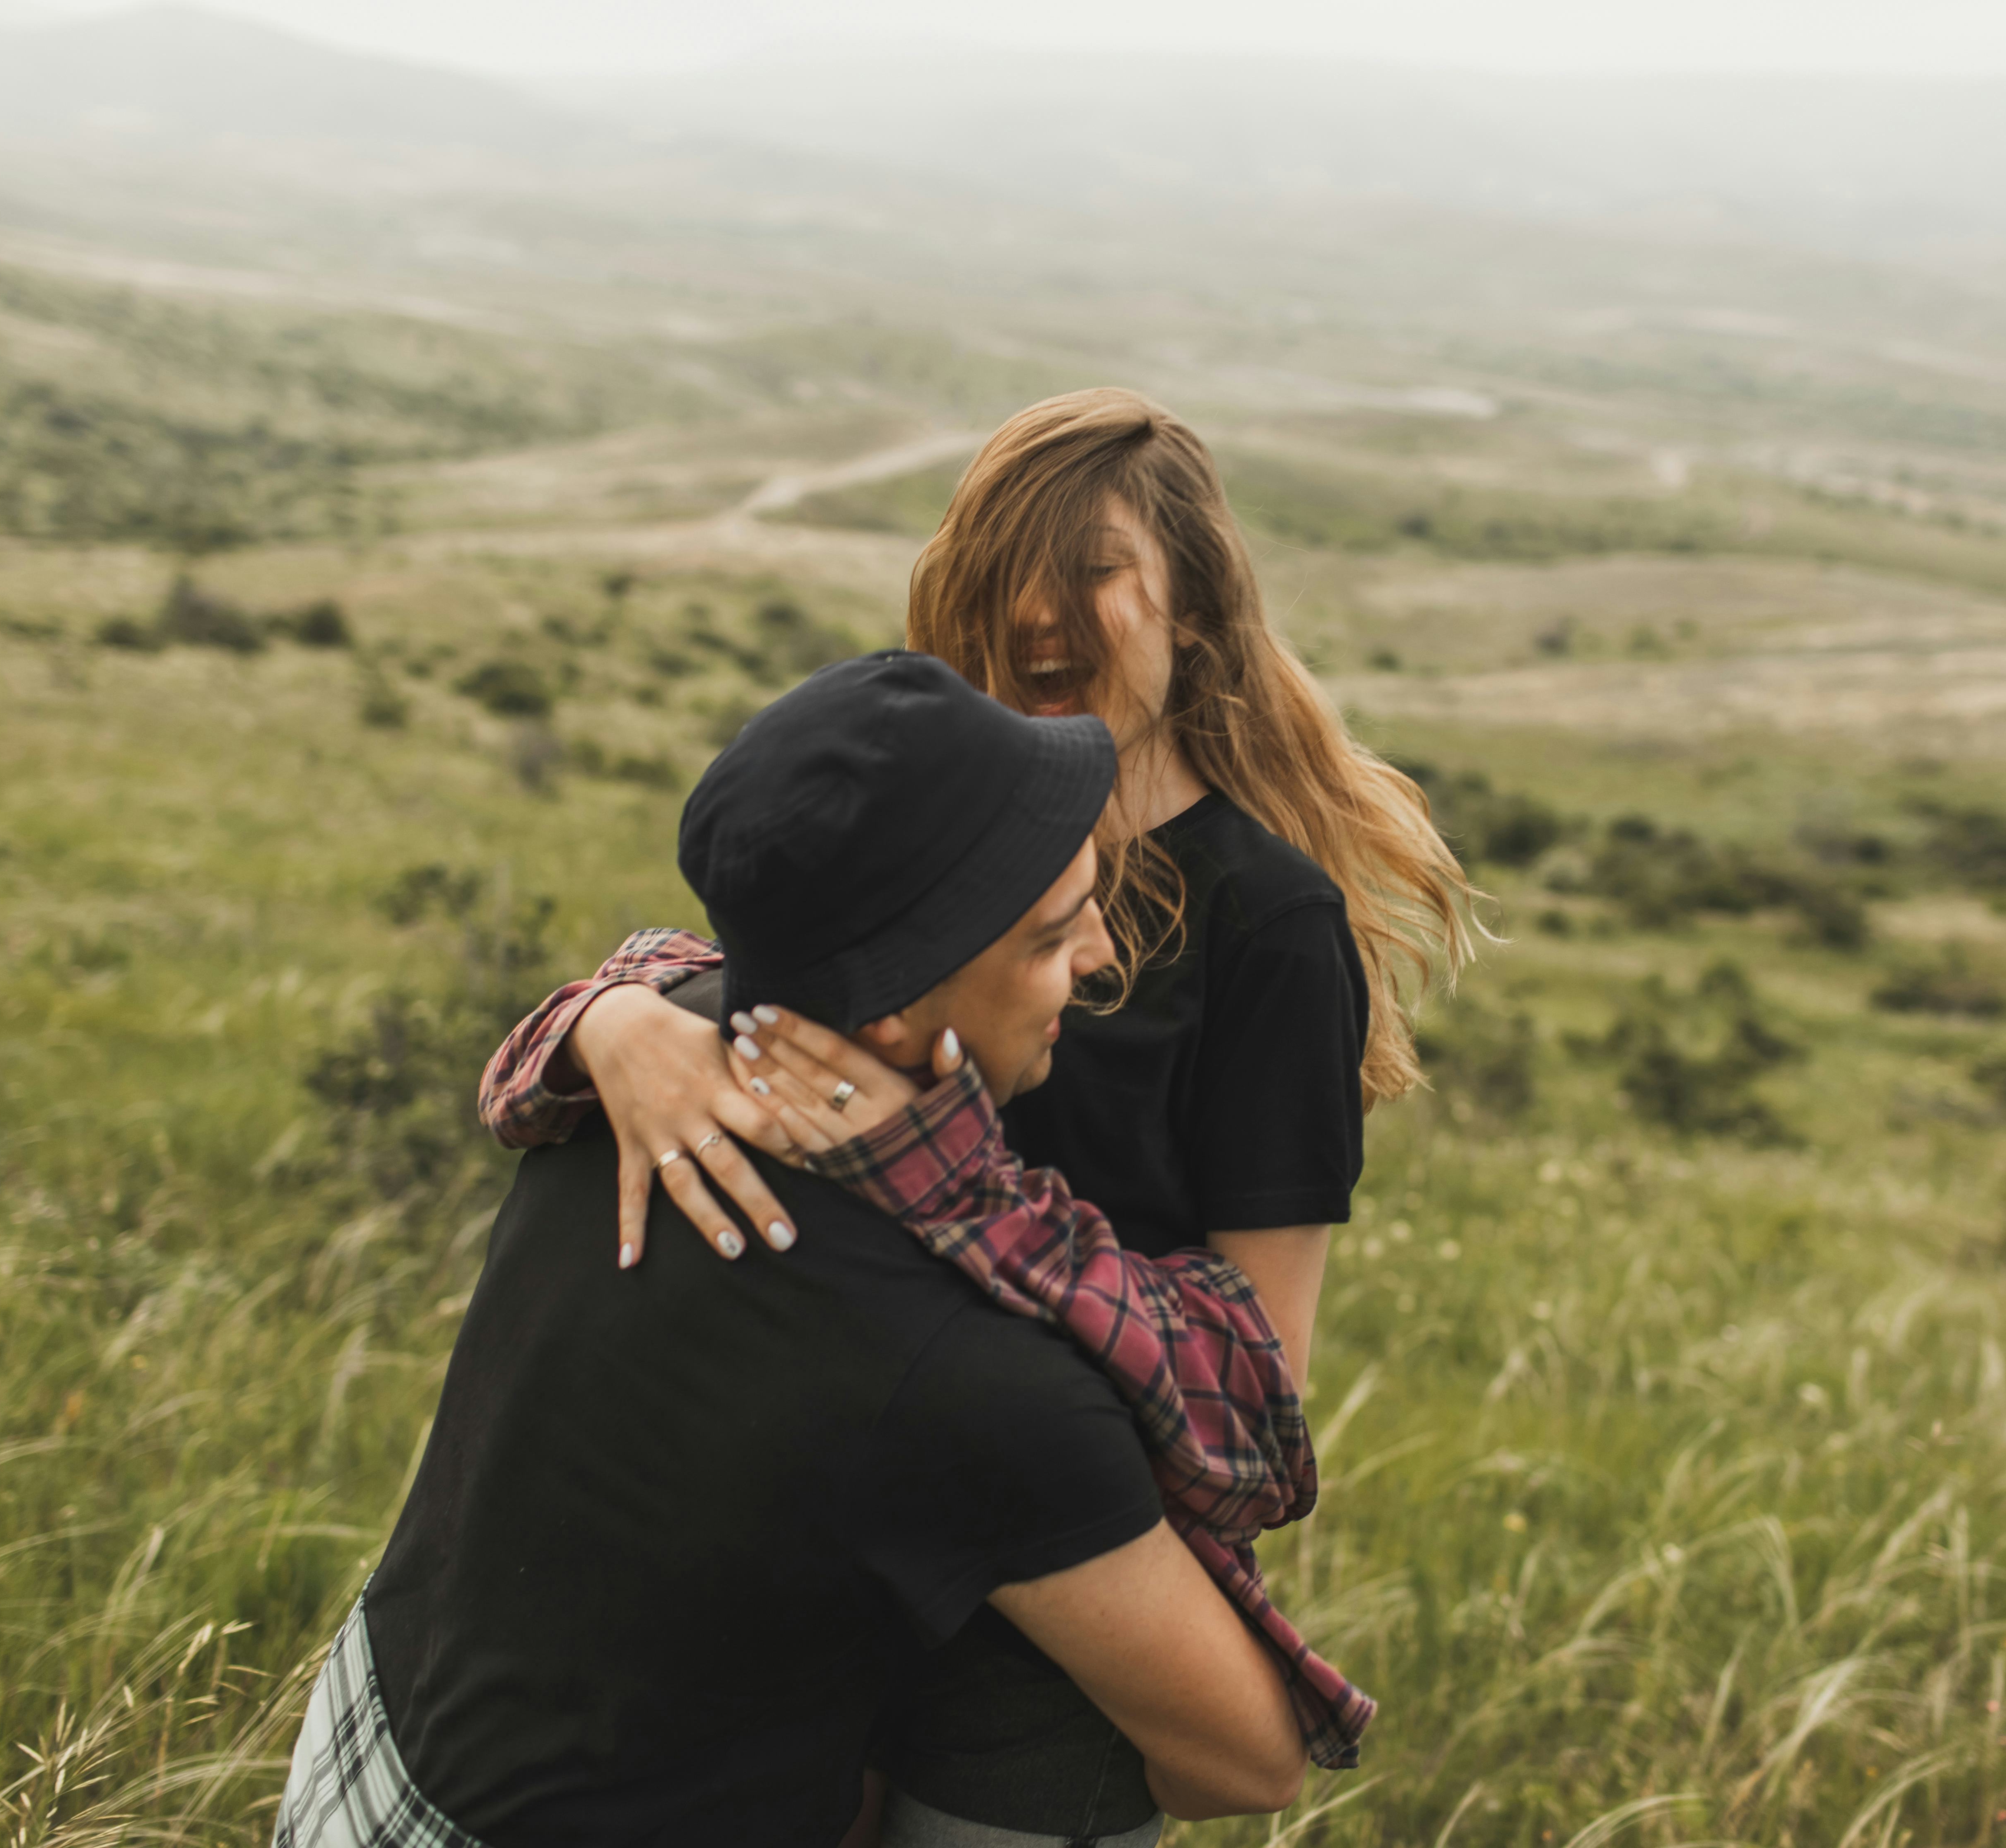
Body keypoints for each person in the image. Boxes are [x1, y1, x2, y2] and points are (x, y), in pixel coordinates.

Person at [479, 390, 1476, 1842]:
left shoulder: (1271, 923)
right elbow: (760, 999)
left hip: (1047, 1607)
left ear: (1195, 608)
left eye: (1095, 568)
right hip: (821, 1544)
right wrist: (614, 1020)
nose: (1038, 611)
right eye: (1010, 562)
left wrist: (973, 1250)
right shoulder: (938, 827)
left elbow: (1261, 1377)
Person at [273, 653, 1306, 1848]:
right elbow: (1249, 1756)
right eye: (1049, 938)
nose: (1105, 960)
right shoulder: (973, 1374)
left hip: (362, 1768)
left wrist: (606, 1013)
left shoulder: (634, 1076)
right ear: (892, 1017)